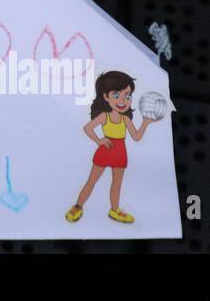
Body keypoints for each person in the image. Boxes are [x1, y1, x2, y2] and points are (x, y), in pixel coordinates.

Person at [64, 70, 160, 224]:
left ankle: (114, 210)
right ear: (106, 96)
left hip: (120, 153)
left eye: (127, 96)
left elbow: (136, 137)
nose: (123, 100)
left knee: (117, 183)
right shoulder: (105, 116)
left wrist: (145, 123)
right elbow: (88, 128)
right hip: (105, 150)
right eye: (117, 95)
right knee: (91, 181)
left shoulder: (125, 118)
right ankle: (78, 206)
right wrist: (99, 140)